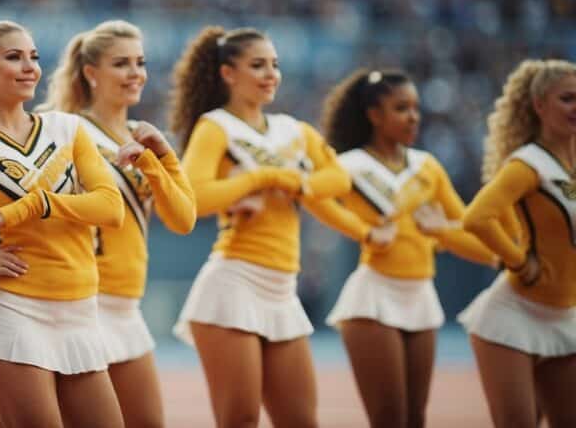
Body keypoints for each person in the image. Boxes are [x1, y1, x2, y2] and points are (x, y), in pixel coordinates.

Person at [0, 21, 125, 428]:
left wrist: (34, 205)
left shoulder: (67, 128)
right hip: (17, 310)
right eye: (14, 57)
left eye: (33, 57)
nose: (30, 67)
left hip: (80, 311)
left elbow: (110, 207)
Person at [169, 26, 350, 428]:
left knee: (301, 420)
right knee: (240, 420)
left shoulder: (294, 130)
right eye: (258, 65)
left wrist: (296, 183)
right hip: (234, 284)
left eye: (274, 65)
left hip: (283, 290)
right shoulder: (215, 127)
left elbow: (338, 179)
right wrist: (256, 180)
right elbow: (193, 198)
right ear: (229, 74)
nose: (271, 74)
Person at [308, 67, 499, 428]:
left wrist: (502, 257)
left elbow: (470, 226)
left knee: (415, 418)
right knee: (389, 419)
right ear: (374, 115)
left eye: (415, 108)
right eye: (401, 108)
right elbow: (311, 196)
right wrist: (364, 232)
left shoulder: (427, 166)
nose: (413, 117)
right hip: (375, 298)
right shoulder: (351, 165)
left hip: (421, 295)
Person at [38, 20, 195, 427]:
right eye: (121, 64)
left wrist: (160, 159)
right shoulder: (65, 129)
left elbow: (182, 220)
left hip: (127, 306)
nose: (135, 73)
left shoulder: (143, 138)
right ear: (91, 73)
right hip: (80, 302)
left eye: (140, 63)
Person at [458, 59, 576, 428]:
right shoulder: (529, 164)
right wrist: (519, 261)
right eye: (568, 99)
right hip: (513, 317)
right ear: (540, 105)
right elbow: (476, 217)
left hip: (566, 316)